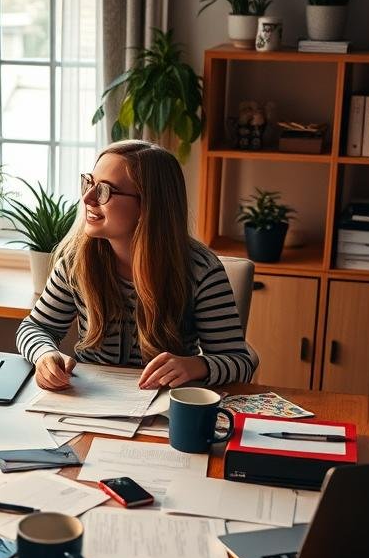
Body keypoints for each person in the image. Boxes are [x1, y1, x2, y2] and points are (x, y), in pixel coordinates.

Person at [16, 140, 256, 391]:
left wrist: (196, 365)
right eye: (89, 183)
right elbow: (35, 327)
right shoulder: (76, 263)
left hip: (165, 405)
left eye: (105, 191)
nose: (87, 198)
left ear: (147, 206)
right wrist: (43, 355)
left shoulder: (201, 271)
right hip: (90, 401)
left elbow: (240, 362)